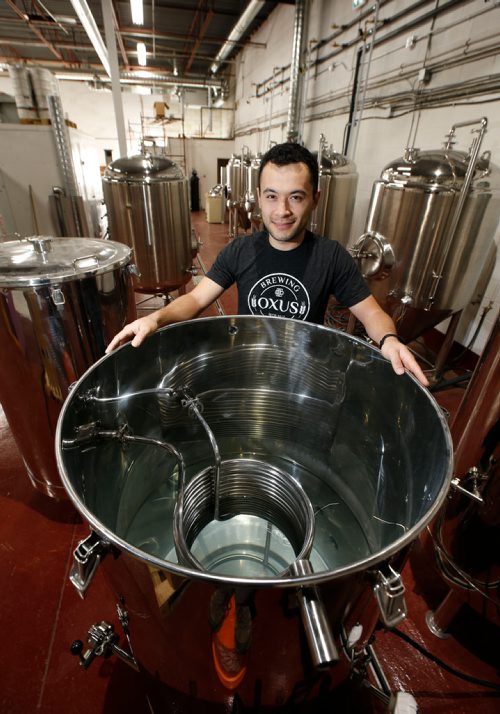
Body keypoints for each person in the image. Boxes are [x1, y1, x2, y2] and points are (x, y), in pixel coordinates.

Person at [106, 142, 429, 387]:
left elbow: (371, 313)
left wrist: (389, 340)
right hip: (247, 367)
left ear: (315, 199)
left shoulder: (330, 256)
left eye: (296, 197)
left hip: (303, 371)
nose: (282, 210)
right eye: (272, 196)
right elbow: (195, 299)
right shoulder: (240, 250)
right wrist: (155, 319)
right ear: (259, 196)